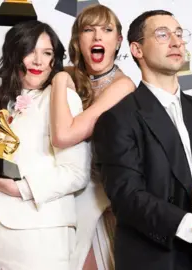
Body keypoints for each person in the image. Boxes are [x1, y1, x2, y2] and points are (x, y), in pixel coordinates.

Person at [92, 10, 192, 269]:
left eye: (179, 34)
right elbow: (127, 194)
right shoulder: (117, 119)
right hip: (161, 257)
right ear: (137, 49)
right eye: (163, 34)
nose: (177, 42)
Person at [0, 20, 90, 270]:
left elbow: (76, 173)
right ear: (14, 54)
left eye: (47, 53)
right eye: (30, 51)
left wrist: (18, 188)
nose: (38, 61)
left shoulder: (61, 97)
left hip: (38, 231)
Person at [50, 4, 135, 269]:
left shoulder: (123, 86)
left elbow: (65, 135)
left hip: (100, 191)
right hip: (61, 186)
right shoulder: (68, 75)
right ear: (78, 39)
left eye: (107, 30)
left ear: (118, 41)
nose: (98, 37)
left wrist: (59, 80)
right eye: (89, 30)